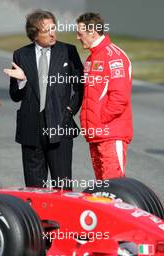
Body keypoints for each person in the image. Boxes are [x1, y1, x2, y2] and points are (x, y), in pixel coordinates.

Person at [4, 10, 83, 188]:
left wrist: (69, 111)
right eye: (46, 30)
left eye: (53, 28)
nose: (52, 33)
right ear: (34, 34)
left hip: (60, 126)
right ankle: (38, 217)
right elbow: (15, 96)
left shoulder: (68, 51)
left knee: (62, 187)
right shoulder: (21, 55)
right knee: (34, 188)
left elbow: (79, 87)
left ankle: (62, 217)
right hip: (30, 129)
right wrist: (22, 80)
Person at [76, 13, 133, 179]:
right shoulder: (91, 58)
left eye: (80, 33)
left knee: (114, 186)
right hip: (96, 134)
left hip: (111, 133)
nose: (77, 37)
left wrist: (101, 119)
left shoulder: (114, 56)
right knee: (102, 189)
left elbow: (120, 97)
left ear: (92, 31)